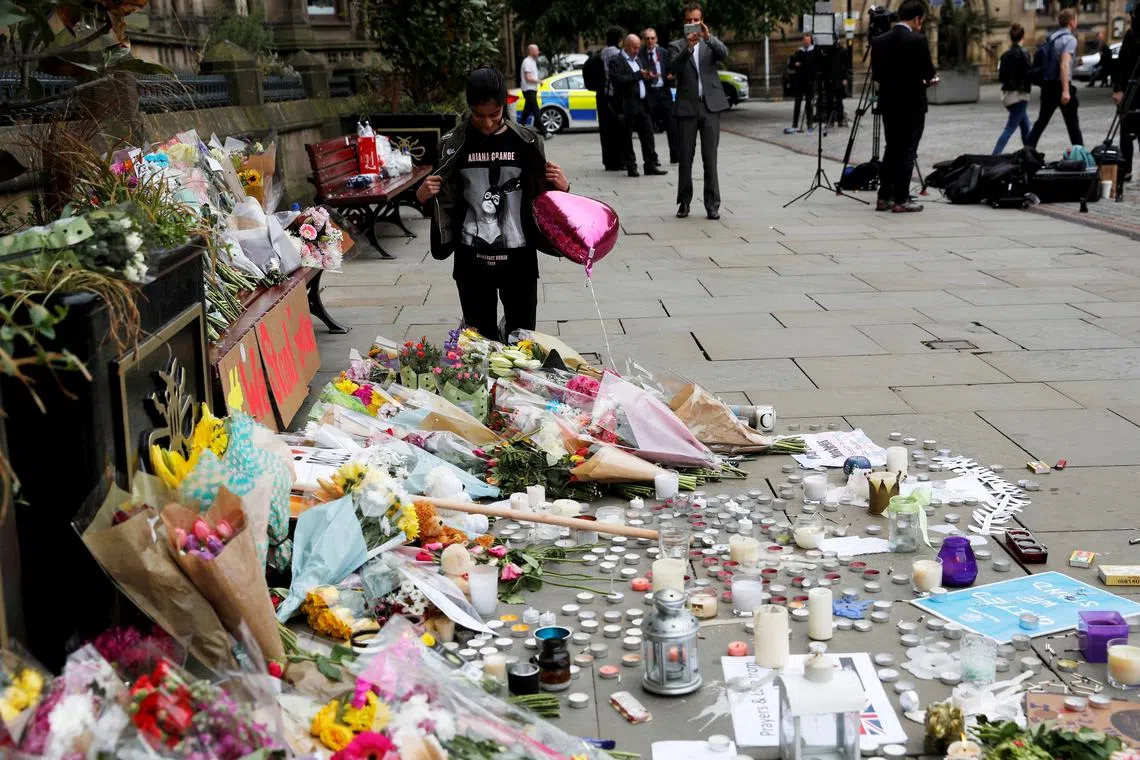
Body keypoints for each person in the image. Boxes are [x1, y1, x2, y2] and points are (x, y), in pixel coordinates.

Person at [416, 65, 570, 342]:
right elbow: (444, 201)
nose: (486, 123)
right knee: (480, 342)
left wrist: (563, 186)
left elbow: (544, 199)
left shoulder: (527, 141)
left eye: (494, 115)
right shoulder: (453, 144)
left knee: (522, 340)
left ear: (506, 104)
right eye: (478, 115)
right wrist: (422, 195)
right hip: (471, 261)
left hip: (519, 260)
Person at [871, 0, 937, 212]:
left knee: (891, 149)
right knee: (908, 151)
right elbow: (928, 73)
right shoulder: (917, 40)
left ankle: (884, 196)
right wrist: (926, 80)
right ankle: (901, 198)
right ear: (917, 19)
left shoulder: (879, 41)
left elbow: (878, 76)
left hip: (889, 104)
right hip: (912, 104)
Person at [668, 1, 730, 220]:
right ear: (684, 22)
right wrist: (688, 48)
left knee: (709, 158)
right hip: (686, 107)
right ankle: (684, 202)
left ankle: (712, 204)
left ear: (702, 21)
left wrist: (708, 37)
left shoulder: (709, 42)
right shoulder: (676, 45)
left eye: (696, 20)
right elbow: (672, 68)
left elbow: (724, 54)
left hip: (711, 106)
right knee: (685, 158)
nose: (693, 24)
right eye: (689, 20)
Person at [609, 34, 667, 177]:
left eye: (638, 48)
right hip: (627, 106)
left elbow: (639, 78)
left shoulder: (638, 60)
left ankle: (650, 165)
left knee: (648, 135)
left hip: (642, 104)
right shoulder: (616, 61)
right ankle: (631, 166)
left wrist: (647, 77)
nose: (636, 51)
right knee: (627, 138)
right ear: (626, 46)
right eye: (634, 48)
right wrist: (638, 75)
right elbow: (618, 80)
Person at [1027, 9, 1084, 150]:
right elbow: (1064, 65)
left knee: (1041, 122)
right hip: (1061, 85)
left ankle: (1027, 151)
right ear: (1072, 21)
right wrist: (1065, 91)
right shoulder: (1070, 39)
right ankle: (1081, 155)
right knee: (1073, 125)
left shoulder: (1050, 38)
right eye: (1076, 19)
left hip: (1047, 85)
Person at [640, 27, 679, 163]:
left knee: (672, 124)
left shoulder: (663, 52)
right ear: (644, 40)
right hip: (649, 93)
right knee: (648, 128)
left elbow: (671, 69)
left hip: (663, 92)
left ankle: (675, 155)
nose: (650, 41)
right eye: (647, 38)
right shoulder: (640, 54)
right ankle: (652, 158)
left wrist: (670, 75)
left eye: (652, 38)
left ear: (656, 39)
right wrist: (645, 75)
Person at [992, 24, 1032, 155]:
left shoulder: (1005, 55)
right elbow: (1028, 74)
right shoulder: (1024, 54)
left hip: (1008, 95)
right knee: (1010, 128)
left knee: (1025, 126)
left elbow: (1001, 77)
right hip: (1020, 96)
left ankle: (1030, 152)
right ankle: (995, 155)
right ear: (1023, 37)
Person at [1114, 7, 1139, 182]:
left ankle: (1127, 168)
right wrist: (1118, 88)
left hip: (1133, 89)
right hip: (1131, 89)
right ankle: (1126, 168)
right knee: (1126, 132)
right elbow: (1121, 64)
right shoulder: (1130, 37)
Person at [598, 26, 625, 170]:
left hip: (603, 94)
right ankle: (620, 161)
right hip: (615, 94)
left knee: (606, 131)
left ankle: (609, 161)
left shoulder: (602, 52)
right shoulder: (617, 53)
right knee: (619, 129)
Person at [789, 34, 817, 132]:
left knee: (809, 103)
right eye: (805, 41)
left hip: (809, 81)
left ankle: (809, 123)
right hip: (800, 82)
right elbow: (791, 64)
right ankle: (795, 123)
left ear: (810, 41)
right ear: (803, 41)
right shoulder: (798, 52)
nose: (806, 42)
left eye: (808, 41)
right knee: (797, 102)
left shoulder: (813, 52)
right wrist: (795, 64)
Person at [520, 44, 541, 129]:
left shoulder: (532, 61)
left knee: (527, 110)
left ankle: (520, 126)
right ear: (531, 51)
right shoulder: (527, 62)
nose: (538, 52)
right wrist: (539, 81)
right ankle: (544, 131)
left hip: (532, 89)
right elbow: (528, 78)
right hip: (528, 90)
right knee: (536, 110)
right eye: (537, 50)